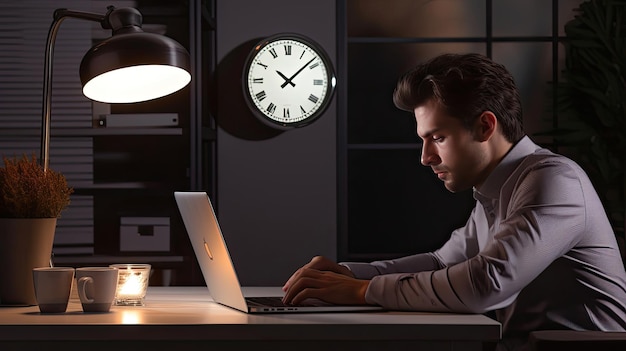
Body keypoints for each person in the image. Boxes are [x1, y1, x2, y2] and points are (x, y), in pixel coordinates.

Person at [282, 53, 626, 350]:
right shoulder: (498, 190)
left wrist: (362, 291)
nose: (425, 157)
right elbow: (441, 263)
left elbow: (486, 284)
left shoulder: (554, 180)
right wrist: (345, 274)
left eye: (438, 138)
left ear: (485, 126)